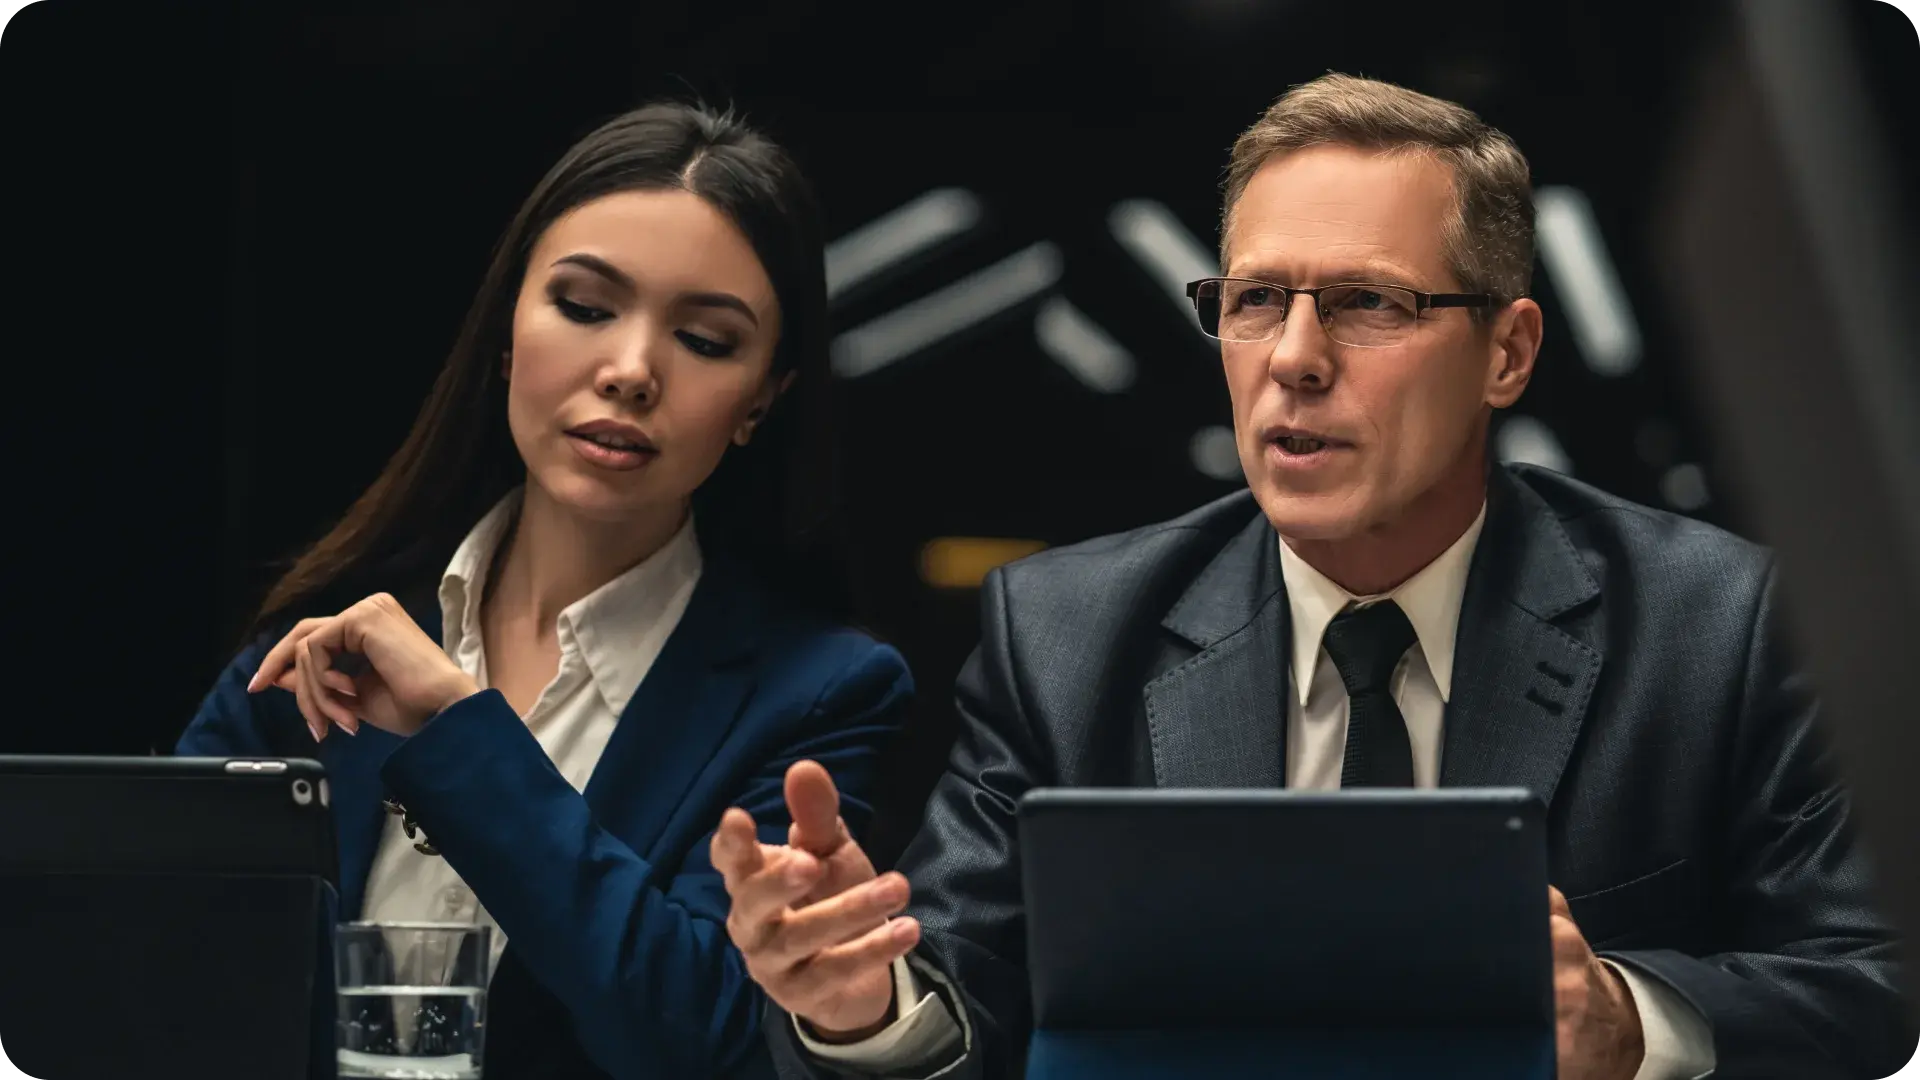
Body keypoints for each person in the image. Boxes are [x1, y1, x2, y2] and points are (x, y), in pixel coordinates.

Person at [713, 74, 1907, 1080]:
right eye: (1254, 301)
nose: (1292, 358)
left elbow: (1875, 988)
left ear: (1508, 352)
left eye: (1367, 303)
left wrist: (1628, 1024)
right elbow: (968, 1001)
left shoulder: (1719, 626)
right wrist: (863, 1002)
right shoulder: (1067, 634)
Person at [176, 101, 912, 1080]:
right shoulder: (326, 641)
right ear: (506, 334)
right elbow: (150, 962)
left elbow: (709, 1044)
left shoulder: (818, 694)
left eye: (704, 339)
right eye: (585, 307)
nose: (631, 371)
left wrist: (459, 730)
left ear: (762, 400)